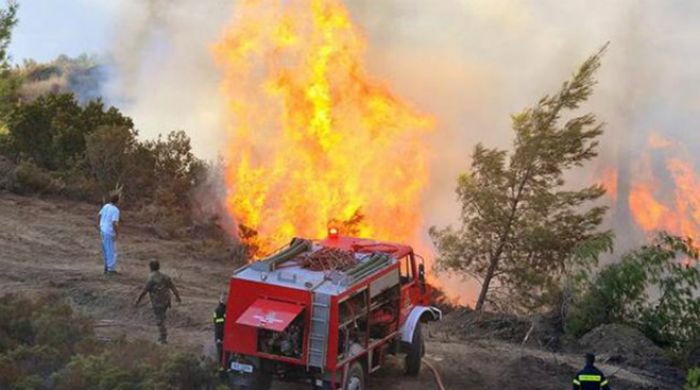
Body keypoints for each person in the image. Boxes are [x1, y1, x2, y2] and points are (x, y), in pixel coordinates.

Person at [134, 260, 182, 344]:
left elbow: (144, 291)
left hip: (157, 301)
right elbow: (173, 287)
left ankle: (163, 338)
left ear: (150, 267)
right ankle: (162, 336)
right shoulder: (165, 276)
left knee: (159, 320)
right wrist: (178, 298)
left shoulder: (151, 278)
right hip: (166, 300)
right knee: (162, 317)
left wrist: (137, 301)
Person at [98, 194, 120, 274]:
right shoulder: (115, 210)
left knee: (105, 249)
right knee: (111, 250)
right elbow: (114, 223)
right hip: (109, 231)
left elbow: (99, 215)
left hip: (103, 229)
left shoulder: (106, 206)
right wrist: (117, 233)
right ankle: (111, 269)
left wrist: (99, 225)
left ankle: (106, 266)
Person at [213, 294, 227, 372]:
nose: (225, 300)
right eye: (224, 299)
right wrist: (218, 338)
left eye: (226, 299)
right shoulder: (218, 310)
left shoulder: (226, 308)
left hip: (226, 334)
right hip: (220, 335)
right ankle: (220, 368)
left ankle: (224, 367)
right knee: (220, 352)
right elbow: (217, 324)